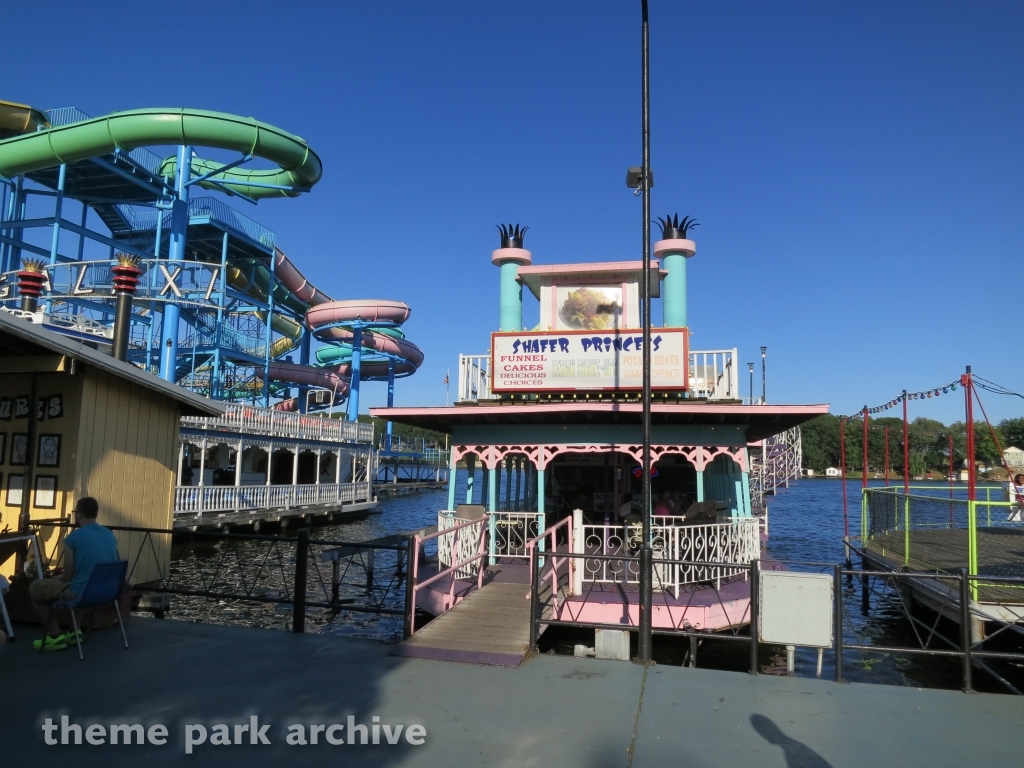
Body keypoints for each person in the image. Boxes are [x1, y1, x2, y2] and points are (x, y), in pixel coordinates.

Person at [29, 497, 119, 652]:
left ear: (80, 514)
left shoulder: (73, 538)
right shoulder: (109, 535)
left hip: (83, 595)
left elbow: (67, 576)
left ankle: (55, 636)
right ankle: (74, 631)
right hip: (106, 593)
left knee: (36, 587)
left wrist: (53, 578)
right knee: (82, 582)